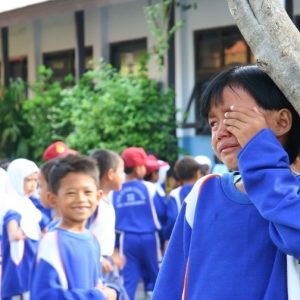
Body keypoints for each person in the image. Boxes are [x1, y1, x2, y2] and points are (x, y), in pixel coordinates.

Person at [152, 65, 300, 299]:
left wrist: (260, 153)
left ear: (282, 122)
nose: (220, 132)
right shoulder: (202, 194)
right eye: (213, 123)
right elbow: (170, 282)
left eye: (233, 117)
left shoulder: (294, 195)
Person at [30, 155, 117, 299]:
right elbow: (44, 296)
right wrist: (97, 296)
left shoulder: (92, 240)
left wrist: (111, 291)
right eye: (71, 193)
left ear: (98, 196)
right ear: (53, 198)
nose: (81, 199)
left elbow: (97, 284)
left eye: (87, 192)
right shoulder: (52, 242)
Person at [112, 147, 166, 300]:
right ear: (138, 169)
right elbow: (161, 213)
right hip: (150, 237)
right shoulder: (150, 188)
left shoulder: (114, 191)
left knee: (128, 281)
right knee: (158, 276)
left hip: (126, 239)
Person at [1, 158, 44, 300]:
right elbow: (11, 219)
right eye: (27, 180)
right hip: (18, 260)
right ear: (16, 179)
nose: (32, 185)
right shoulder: (11, 203)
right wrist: (14, 233)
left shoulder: (29, 204)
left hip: (31, 257)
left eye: (35, 180)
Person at [89, 149, 128, 300]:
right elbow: (84, 232)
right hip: (98, 262)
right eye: (122, 171)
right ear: (111, 174)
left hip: (107, 260)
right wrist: (99, 258)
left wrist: (113, 252)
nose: (123, 176)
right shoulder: (94, 203)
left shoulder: (105, 200)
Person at [163, 156, 202, 244]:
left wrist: (166, 235)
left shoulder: (175, 193)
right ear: (197, 173)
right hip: (202, 236)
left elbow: (172, 218)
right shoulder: (204, 189)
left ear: (178, 175)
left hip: (183, 238)